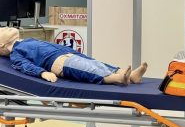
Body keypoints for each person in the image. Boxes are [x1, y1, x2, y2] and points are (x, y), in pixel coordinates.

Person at [0, 27, 147, 85]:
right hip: (58, 63)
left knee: (96, 63)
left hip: (65, 53)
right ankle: (118, 78)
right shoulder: (15, 54)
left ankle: (129, 75)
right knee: (89, 70)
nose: (7, 28)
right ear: (1, 45)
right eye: (4, 30)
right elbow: (25, 66)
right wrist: (42, 73)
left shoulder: (25, 41)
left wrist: (70, 51)